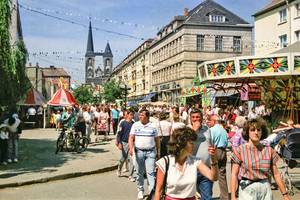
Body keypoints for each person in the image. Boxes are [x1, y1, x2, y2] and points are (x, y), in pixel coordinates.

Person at [231, 118, 291, 200]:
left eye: (259, 130)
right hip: (247, 189)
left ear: (262, 132)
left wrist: (285, 194)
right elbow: (234, 175)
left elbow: (276, 174)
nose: (256, 132)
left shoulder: (269, 150)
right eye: (252, 130)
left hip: (265, 189)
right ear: (247, 132)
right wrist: (233, 196)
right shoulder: (240, 150)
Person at [154, 127, 218, 200]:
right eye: (191, 143)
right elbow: (158, 191)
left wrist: (213, 159)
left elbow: (213, 177)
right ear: (182, 144)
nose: (194, 145)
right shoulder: (165, 162)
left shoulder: (195, 161)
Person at [129, 109, 160, 200]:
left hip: (151, 152)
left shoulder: (153, 126)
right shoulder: (135, 125)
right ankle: (140, 190)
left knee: (150, 173)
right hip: (138, 152)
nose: (140, 116)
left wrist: (158, 152)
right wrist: (131, 149)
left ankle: (151, 192)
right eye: (140, 115)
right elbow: (131, 138)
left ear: (147, 116)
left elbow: (157, 139)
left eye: (142, 115)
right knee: (139, 172)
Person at [189, 109, 213, 200]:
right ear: (190, 119)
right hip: (191, 169)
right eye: (193, 117)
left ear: (202, 118)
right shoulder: (186, 130)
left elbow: (211, 144)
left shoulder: (207, 129)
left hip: (206, 168)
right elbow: (184, 146)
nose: (196, 119)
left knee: (207, 197)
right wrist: (194, 131)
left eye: (198, 117)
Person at [206, 114, 229, 200]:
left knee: (211, 173)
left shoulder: (212, 130)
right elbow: (227, 140)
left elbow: (209, 142)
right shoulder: (223, 129)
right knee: (222, 175)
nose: (209, 122)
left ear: (214, 121)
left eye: (210, 121)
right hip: (223, 151)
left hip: (215, 151)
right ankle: (225, 197)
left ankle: (208, 195)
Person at [116, 110, 134, 177]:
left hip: (132, 143)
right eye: (131, 114)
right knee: (123, 158)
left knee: (132, 159)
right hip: (124, 142)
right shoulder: (123, 123)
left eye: (132, 115)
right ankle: (119, 170)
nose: (132, 116)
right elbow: (119, 134)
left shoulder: (134, 123)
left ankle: (130, 175)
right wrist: (119, 143)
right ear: (128, 115)